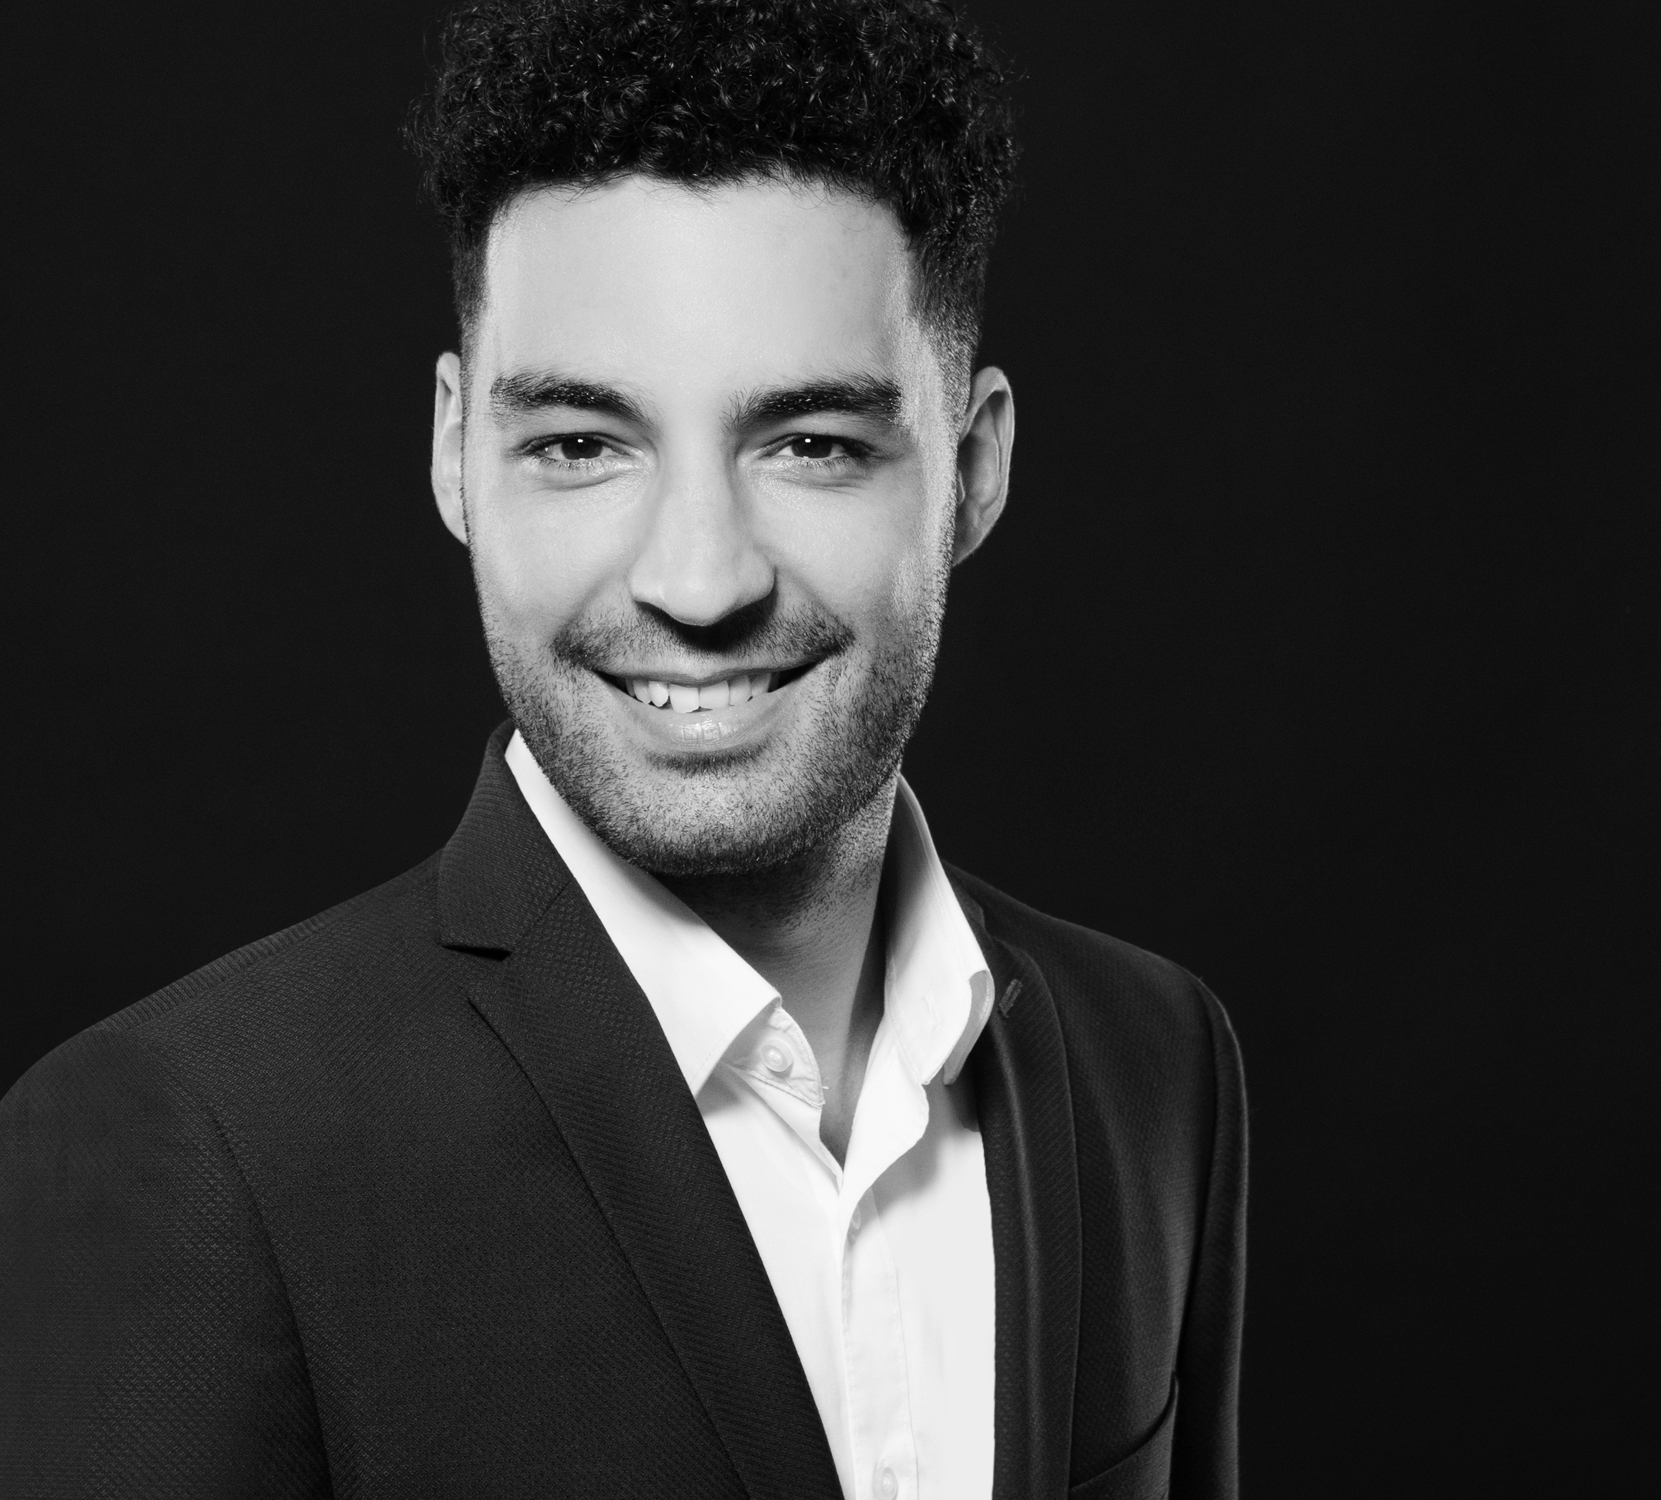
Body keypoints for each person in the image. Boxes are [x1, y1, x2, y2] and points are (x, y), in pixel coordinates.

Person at [0, 2, 1245, 1496]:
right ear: (458, 454)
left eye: (812, 444)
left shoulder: (1155, 1063)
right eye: (582, 445)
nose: (698, 583)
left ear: (973, 469)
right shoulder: (177, 1157)